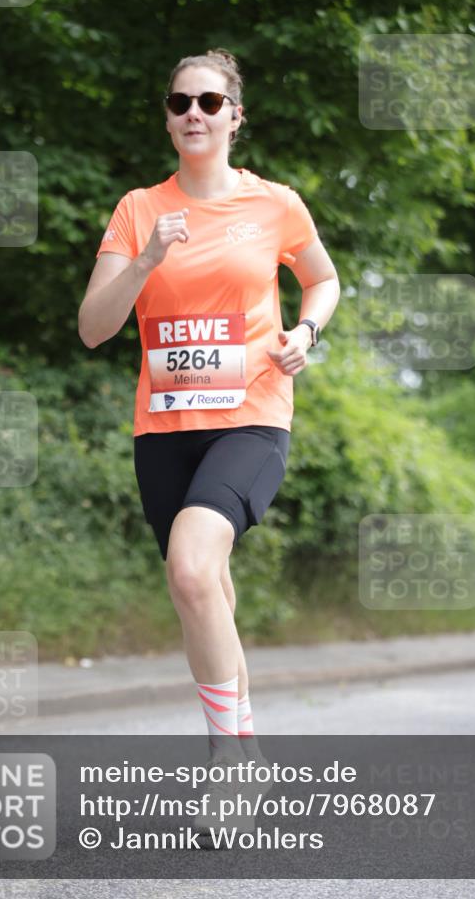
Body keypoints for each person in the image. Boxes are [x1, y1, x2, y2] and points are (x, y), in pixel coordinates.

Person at [78, 47, 340, 817]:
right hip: (163, 429)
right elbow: (94, 329)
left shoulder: (276, 204)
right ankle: (248, 747)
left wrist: (307, 331)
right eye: (178, 101)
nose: (192, 112)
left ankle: (228, 762)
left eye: (208, 101)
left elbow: (321, 279)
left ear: (235, 116)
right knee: (208, 589)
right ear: (167, 116)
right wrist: (147, 258)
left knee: (191, 569)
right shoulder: (138, 208)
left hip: (252, 416)